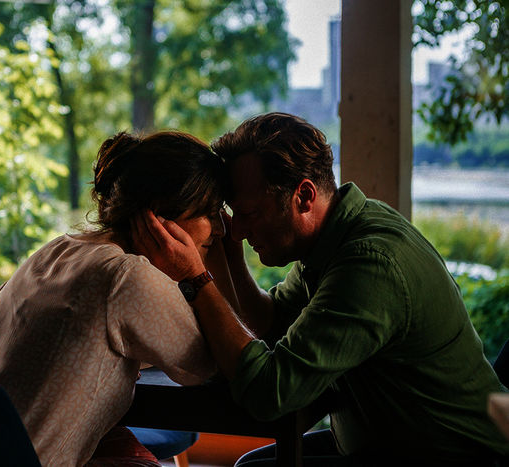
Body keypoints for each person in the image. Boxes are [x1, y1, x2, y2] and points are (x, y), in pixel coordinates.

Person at [132, 112, 509, 466]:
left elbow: (270, 394)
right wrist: (227, 256)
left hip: (452, 454)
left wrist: (197, 280)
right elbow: (271, 321)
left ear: (304, 196)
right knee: (254, 464)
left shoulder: (369, 263)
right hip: (391, 440)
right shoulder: (335, 235)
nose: (241, 231)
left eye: (249, 215)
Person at [0, 131, 225, 466]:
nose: (220, 230)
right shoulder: (128, 275)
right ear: (160, 216)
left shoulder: (58, 250)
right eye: (210, 213)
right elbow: (204, 368)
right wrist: (197, 275)